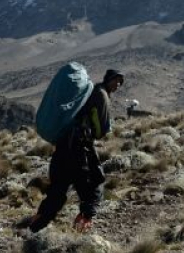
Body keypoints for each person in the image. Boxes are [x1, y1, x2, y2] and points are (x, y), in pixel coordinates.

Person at [26, 69, 124, 233]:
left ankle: (33, 228)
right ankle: (82, 230)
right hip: (80, 149)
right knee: (94, 185)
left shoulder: (90, 92)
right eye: (116, 80)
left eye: (121, 82)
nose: (118, 84)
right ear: (108, 79)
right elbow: (100, 130)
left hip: (63, 147)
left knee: (57, 192)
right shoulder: (101, 95)